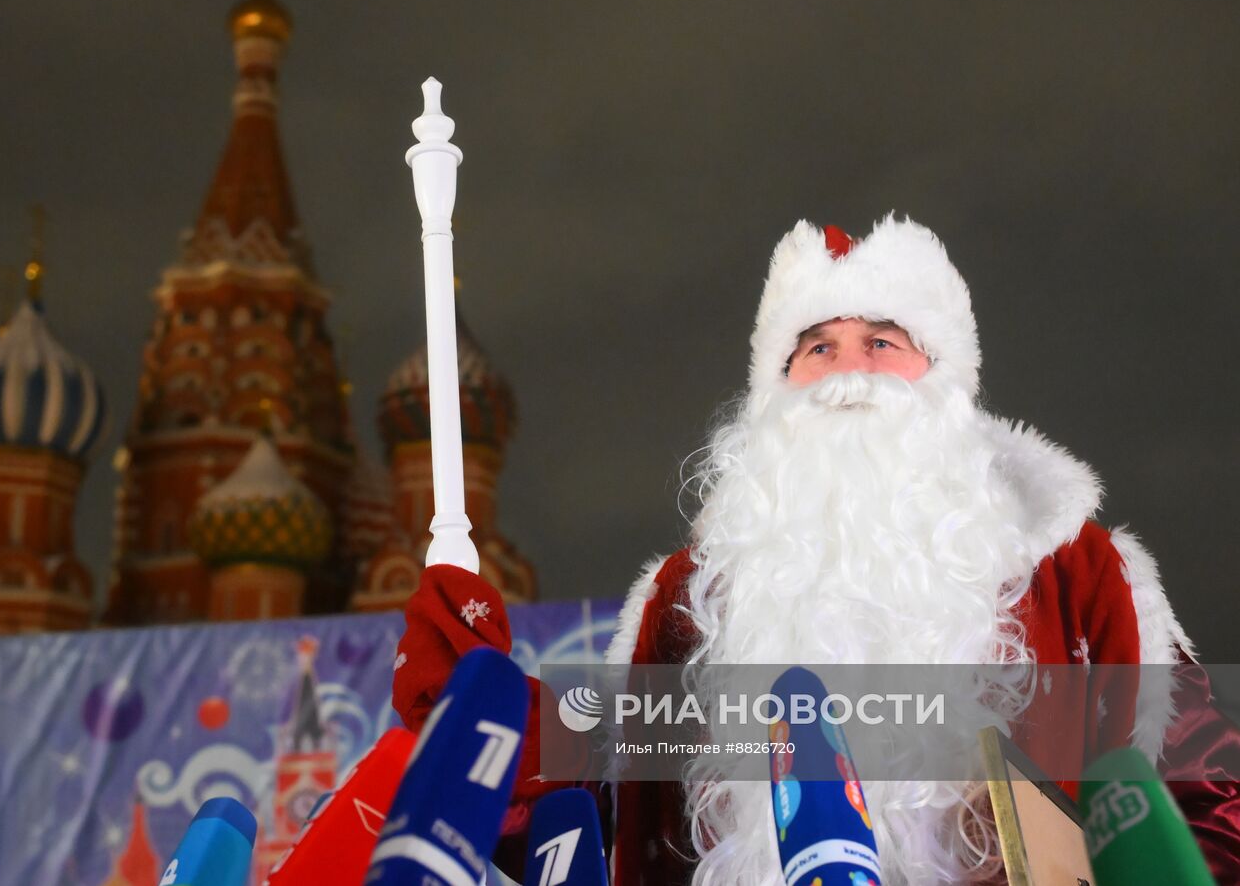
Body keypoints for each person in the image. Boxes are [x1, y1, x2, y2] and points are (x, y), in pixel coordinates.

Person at [392, 216, 1240, 884]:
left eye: (882, 342)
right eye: (817, 347)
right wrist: (475, 702)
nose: (848, 372)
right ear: (777, 386)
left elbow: (1204, 803)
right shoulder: (693, 601)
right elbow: (608, 818)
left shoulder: (1073, 570)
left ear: (941, 375)